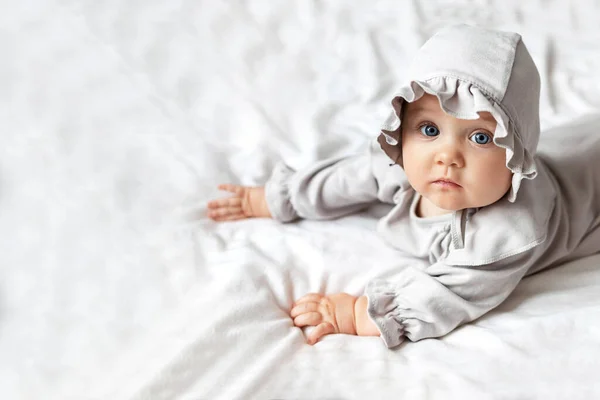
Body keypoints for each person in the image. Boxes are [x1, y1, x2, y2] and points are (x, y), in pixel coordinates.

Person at [206, 24, 600, 348]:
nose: (447, 156)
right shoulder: (404, 164)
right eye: (429, 129)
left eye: (480, 137)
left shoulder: (509, 232)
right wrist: (279, 198)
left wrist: (358, 313)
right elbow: (348, 178)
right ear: (402, 128)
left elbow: (451, 294)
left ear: (517, 153)